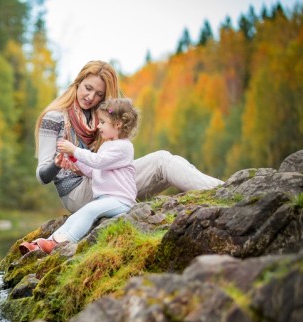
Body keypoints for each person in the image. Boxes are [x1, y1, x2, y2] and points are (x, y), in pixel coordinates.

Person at [33, 60, 222, 214]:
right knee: (162, 161)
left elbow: (112, 160)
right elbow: (42, 176)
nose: (90, 97)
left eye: (99, 94)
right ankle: (223, 192)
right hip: (78, 194)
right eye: (87, 88)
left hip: (103, 181)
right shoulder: (54, 118)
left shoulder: (100, 118)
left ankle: (221, 190)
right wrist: (57, 164)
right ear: (77, 83)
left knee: (171, 162)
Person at [19, 98, 138, 254]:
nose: (98, 126)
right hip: (106, 199)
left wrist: (74, 150)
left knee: (89, 211)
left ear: (117, 125)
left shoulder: (124, 147)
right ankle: (45, 243)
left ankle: (63, 243)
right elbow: (93, 172)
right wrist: (74, 158)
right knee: (76, 216)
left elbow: (98, 162)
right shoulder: (107, 145)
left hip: (121, 200)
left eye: (102, 122)